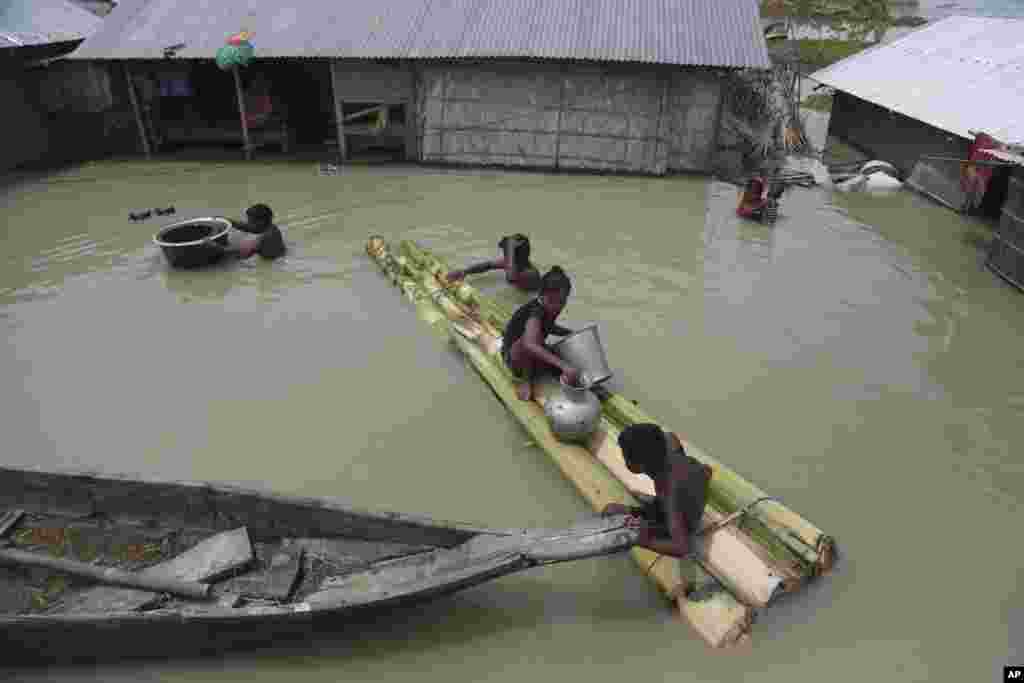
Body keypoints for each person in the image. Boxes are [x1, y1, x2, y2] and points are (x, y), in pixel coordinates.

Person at [601, 424, 713, 564]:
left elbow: (682, 548)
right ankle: (653, 502)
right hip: (685, 493)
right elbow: (669, 435)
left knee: (610, 511)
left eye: (625, 457)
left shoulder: (669, 491)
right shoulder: (669, 445)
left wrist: (643, 540)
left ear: (637, 466)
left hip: (680, 520)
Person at [503, 266, 581, 401]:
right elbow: (529, 344)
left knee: (564, 356)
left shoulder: (550, 307)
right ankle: (526, 380)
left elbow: (549, 326)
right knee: (531, 340)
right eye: (552, 301)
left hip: (533, 353)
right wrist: (563, 366)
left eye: (561, 302)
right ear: (540, 295)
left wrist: (570, 333)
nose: (556, 306)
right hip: (515, 358)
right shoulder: (536, 311)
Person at [447, 234, 541, 292]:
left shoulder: (530, 274)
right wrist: (465, 272)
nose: (504, 255)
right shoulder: (512, 264)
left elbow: (511, 278)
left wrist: (510, 251)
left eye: (507, 253)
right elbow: (488, 265)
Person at [215, 203, 286, 260]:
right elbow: (248, 227)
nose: (248, 223)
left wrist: (215, 247)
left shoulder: (264, 238)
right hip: (279, 257)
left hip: (271, 264)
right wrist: (226, 220)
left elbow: (240, 254)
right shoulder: (272, 227)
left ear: (260, 222)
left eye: (250, 221)